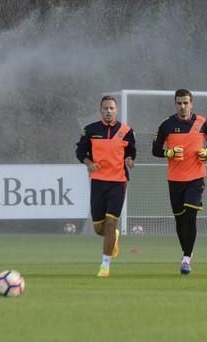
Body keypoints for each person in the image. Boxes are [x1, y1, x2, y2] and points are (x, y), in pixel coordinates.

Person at [152, 89, 207, 274]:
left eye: (186, 103)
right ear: (175, 104)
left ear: (192, 103)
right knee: (180, 220)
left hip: (196, 178)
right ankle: (185, 252)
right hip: (175, 179)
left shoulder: (202, 122)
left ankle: (186, 259)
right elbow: (155, 150)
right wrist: (169, 153)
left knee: (190, 215)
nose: (182, 106)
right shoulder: (166, 124)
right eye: (179, 103)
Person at [76, 95, 136, 277]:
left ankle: (105, 265)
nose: (108, 111)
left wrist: (129, 159)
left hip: (118, 182)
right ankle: (114, 237)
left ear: (116, 110)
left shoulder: (126, 131)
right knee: (99, 228)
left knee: (111, 222)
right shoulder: (90, 130)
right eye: (105, 108)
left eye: (111, 108)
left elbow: (132, 152)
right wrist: (88, 163)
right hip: (98, 182)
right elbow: (80, 151)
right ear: (100, 110)